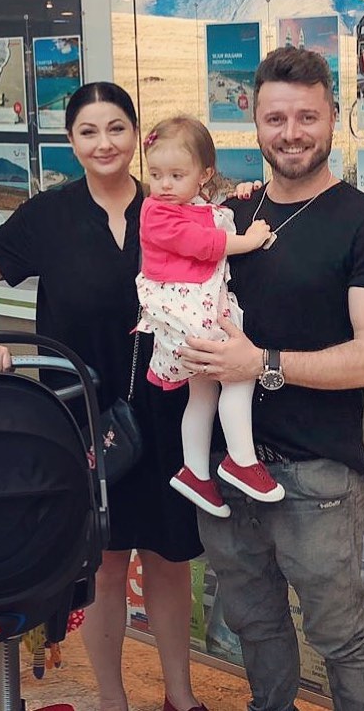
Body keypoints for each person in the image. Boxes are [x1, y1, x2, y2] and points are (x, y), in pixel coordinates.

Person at [0, 81, 209, 711]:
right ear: (71, 141)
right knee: (105, 562)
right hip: (83, 416)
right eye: (89, 132)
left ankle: (181, 696)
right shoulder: (50, 215)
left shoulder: (168, 203)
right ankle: (112, 699)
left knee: (170, 557)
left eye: (117, 128)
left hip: (167, 407)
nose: (105, 143)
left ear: (136, 134)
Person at [178, 46, 364, 711]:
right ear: (253, 120)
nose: (291, 133)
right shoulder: (231, 218)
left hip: (317, 475)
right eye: (275, 118)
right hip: (226, 472)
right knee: (254, 627)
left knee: (341, 638)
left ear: (333, 115)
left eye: (307, 116)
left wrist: (263, 364)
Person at [135, 115, 283, 517]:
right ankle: (241, 459)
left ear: (204, 175)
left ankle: (195, 472)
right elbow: (203, 244)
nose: (164, 185)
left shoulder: (193, 205)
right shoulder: (156, 213)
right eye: (155, 175)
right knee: (241, 372)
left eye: (176, 175)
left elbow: (213, 214)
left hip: (190, 316)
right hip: (190, 317)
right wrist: (250, 240)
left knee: (201, 394)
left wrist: (243, 193)